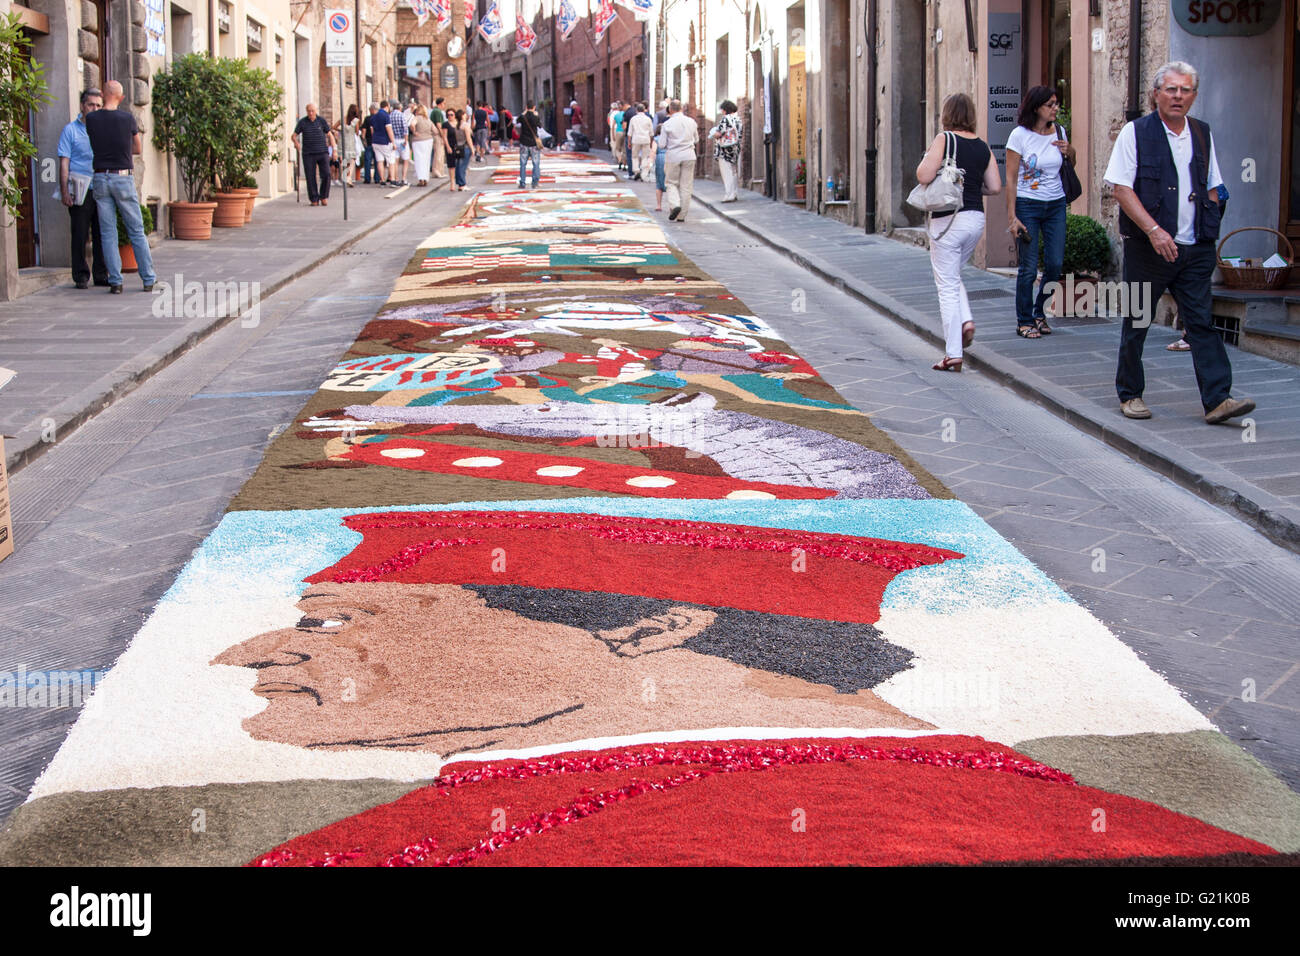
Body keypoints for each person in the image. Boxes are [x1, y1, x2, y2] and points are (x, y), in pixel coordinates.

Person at [1104, 61, 1254, 425]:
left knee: (1201, 322)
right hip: (1146, 248)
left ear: (1194, 96)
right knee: (1138, 320)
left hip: (1194, 248)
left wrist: (1209, 223)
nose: (1178, 96)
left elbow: (1215, 185)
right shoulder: (1135, 133)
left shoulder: (1201, 132)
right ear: (1156, 94)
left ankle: (1218, 400)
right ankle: (1131, 393)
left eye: (1185, 90)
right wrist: (1155, 231)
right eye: (1171, 89)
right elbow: (1121, 189)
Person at [915, 92, 1002, 372]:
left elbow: (923, 176)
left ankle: (953, 353)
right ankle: (966, 320)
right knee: (952, 275)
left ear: (947, 114)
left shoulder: (945, 139)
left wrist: (928, 156)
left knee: (947, 286)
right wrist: (972, 188)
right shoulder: (983, 146)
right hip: (975, 219)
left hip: (948, 219)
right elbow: (995, 187)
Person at [1005, 87, 1072, 339]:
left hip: (1056, 204)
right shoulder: (1019, 135)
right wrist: (1012, 216)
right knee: (1029, 268)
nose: (1055, 108)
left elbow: (1067, 165)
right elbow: (1010, 179)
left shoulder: (1060, 131)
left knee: (1055, 264)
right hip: (1027, 205)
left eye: (1056, 103)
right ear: (1036, 108)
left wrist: (1070, 152)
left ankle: (1039, 312)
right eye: (1050, 104)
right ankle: (1024, 320)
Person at [83, 80, 155, 293]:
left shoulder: (92, 119)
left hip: (100, 177)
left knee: (107, 232)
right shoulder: (127, 118)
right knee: (136, 229)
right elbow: (137, 148)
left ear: (104, 95)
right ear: (121, 97)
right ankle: (148, 278)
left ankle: (115, 281)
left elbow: (93, 141)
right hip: (122, 177)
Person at [58, 88, 108, 289]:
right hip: (80, 188)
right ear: (82, 106)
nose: (94, 108)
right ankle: (80, 276)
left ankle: (101, 274)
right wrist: (64, 191)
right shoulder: (70, 130)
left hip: (102, 185)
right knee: (79, 233)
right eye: (91, 105)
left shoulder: (104, 129)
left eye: (98, 105)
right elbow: (64, 162)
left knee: (102, 233)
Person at [660, 99, 698, 222]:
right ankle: (682, 215)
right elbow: (696, 139)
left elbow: (661, 144)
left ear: (670, 110)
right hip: (689, 155)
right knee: (686, 186)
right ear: (681, 108)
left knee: (671, 183)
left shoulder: (667, 124)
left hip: (673, 156)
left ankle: (675, 205)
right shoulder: (691, 121)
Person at [292, 103, 335, 206]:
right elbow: (293, 135)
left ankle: (324, 196)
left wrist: (335, 150)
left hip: (322, 152)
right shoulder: (302, 122)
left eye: (312, 111)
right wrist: (296, 143)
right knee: (310, 176)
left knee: (327, 174)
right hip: (308, 153)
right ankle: (314, 198)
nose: (311, 113)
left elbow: (330, 135)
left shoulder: (321, 121)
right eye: (309, 111)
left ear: (316, 111)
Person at [708, 100, 743, 202]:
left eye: (722, 110)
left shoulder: (726, 119)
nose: (721, 112)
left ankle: (729, 194)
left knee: (726, 172)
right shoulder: (738, 119)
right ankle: (734, 192)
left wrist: (713, 133)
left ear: (725, 110)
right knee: (733, 172)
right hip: (735, 148)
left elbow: (719, 133)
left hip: (725, 149)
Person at [408, 104, 435, 186]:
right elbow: (435, 130)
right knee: (426, 160)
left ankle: (421, 179)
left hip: (418, 141)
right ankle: (426, 179)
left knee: (419, 160)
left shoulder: (416, 118)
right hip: (428, 140)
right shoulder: (428, 120)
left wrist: (414, 131)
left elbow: (412, 124)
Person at [517, 101, 543, 188]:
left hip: (524, 142)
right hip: (533, 143)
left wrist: (524, 112)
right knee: (535, 163)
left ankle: (522, 182)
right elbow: (540, 126)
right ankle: (535, 182)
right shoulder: (535, 117)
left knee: (523, 164)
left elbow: (517, 120)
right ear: (534, 107)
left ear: (526, 107)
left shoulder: (523, 116)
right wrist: (536, 115)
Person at [369, 101, 396, 186]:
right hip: (385, 141)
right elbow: (389, 130)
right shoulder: (386, 116)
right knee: (391, 160)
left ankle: (382, 180)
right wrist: (393, 142)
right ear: (387, 106)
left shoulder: (373, 117)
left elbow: (372, 131)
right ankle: (392, 179)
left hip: (375, 141)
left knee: (379, 161)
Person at [628, 103, 653, 182]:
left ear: (637, 110)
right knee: (645, 157)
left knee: (634, 156)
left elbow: (630, 132)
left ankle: (636, 170)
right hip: (646, 139)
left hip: (636, 139)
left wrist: (629, 141)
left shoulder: (633, 119)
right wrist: (651, 142)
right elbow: (651, 132)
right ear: (644, 110)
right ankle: (644, 174)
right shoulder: (648, 119)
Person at [388, 99, 409, 185]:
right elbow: (405, 129)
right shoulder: (402, 115)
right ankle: (403, 179)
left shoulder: (389, 115)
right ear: (400, 108)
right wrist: (406, 140)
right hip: (402, 140)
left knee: (395, 160)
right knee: (405, 160)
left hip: (393, 140)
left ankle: (396, 178)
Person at [453, 108, 473, 190]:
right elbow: (468, 138)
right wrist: (472, 148)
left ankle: (459, 183)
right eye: (464, 114)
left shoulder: (456, 126)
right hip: (465, 147)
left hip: (458, 146)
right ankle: (462, 184)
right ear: (462, 116)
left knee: (458, 166)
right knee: (463, 166)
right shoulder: (465, 125)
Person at [430, 97, 449, 180]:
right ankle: (437, 171)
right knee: (439, 153)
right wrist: (443, 136)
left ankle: (439, 171)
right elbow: (438, 124)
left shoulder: (435, 111)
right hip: (437, 135)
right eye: (444, 103)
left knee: (439, 153)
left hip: (435, 134)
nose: (445, 105)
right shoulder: (437, 112)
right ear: (440, 103)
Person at [359, 103, 378, 184]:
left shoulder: (367, 119)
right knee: (378, 161)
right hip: (378, 142)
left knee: (368, 161)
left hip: (369, 142)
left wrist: (363, 139)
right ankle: (377, 178)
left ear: (372, 110)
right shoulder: (379, 118)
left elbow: (363, 130)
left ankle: (367, 179)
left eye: (370, 109)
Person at [652, 124, 667, 211]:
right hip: (669, 158)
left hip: (660, 159)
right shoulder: (669, 139)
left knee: (659, 182)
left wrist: (650, 161)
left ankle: (659, 205)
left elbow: (653, 151)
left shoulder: (656, 139)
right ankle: (672, 205)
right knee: (670, 182)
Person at [622, 101, 637, 174]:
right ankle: (638, 171)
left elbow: (624, 126)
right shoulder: (635, 111)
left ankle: (631, 172)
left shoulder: (626, 113)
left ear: (625, 105)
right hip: (638, 136)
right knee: (637, 154)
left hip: (629, 136)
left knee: (629, 154)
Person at [609, 101, 625, 167]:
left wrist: (612, 134)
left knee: (616, 146)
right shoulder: (624, 114)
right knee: (623, 148)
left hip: (617, 131)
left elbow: (611, 124)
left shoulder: (613, 114)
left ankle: (618, 158)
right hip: (624, 131)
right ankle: (624, 161)